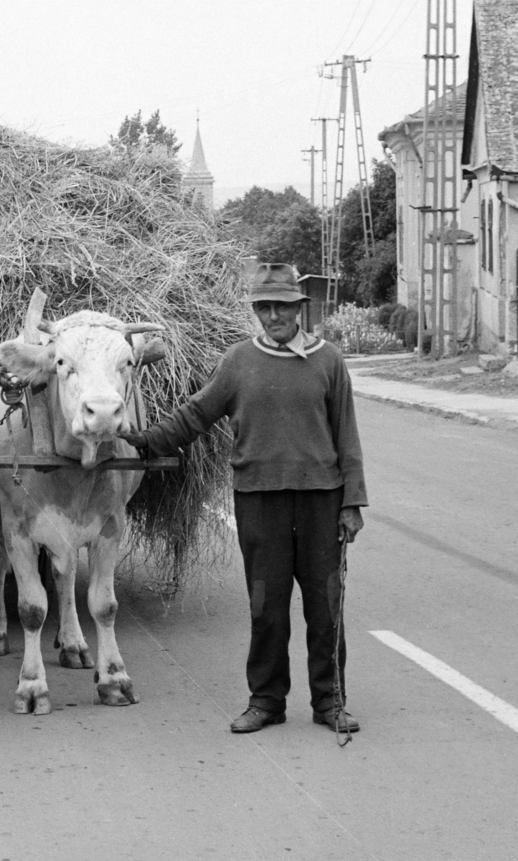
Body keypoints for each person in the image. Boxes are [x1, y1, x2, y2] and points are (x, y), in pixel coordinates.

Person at [123, 262, 366, 734]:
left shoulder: (329, 360)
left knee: (325, 607)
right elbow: (196, 413)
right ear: (256, 311)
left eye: (282, 307)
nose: (273, 316)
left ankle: (330, 702)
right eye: (264, 308)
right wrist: (145, 440)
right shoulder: (238, 361)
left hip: (321, 501)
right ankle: (266, 701)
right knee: (266, 607)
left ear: (300, 309)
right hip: (259, 502)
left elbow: (347, 435)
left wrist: (352, 502)